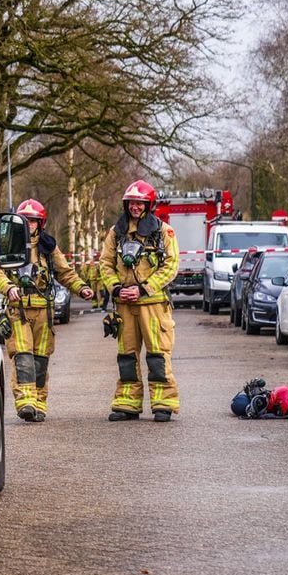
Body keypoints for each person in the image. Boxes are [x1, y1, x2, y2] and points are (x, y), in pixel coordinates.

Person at [0, 199, 94, 422]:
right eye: (25, 221)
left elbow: (65, 273)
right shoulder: (8, 244)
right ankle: (25, 402)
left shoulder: (48, 247)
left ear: (41, 223)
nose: (29, 225)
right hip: (19, 311)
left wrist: (82, 288)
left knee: (40, 359)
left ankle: (38, 403)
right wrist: (9, 288)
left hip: (43, 312)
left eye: (34, 221)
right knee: (23, 356)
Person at [98, 179, 180, 422]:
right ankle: (127, 404)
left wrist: (144, 289)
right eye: (131, 202)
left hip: (153, 306)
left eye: (140, 202)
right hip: (125, 306)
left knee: (157, 355)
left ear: (149, 204)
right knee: (127, 356)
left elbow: (171, 265)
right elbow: (105, 263)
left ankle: (163, 404)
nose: (135, 207)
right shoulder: (116, 232)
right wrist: (115, 288)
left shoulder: (163, 231)